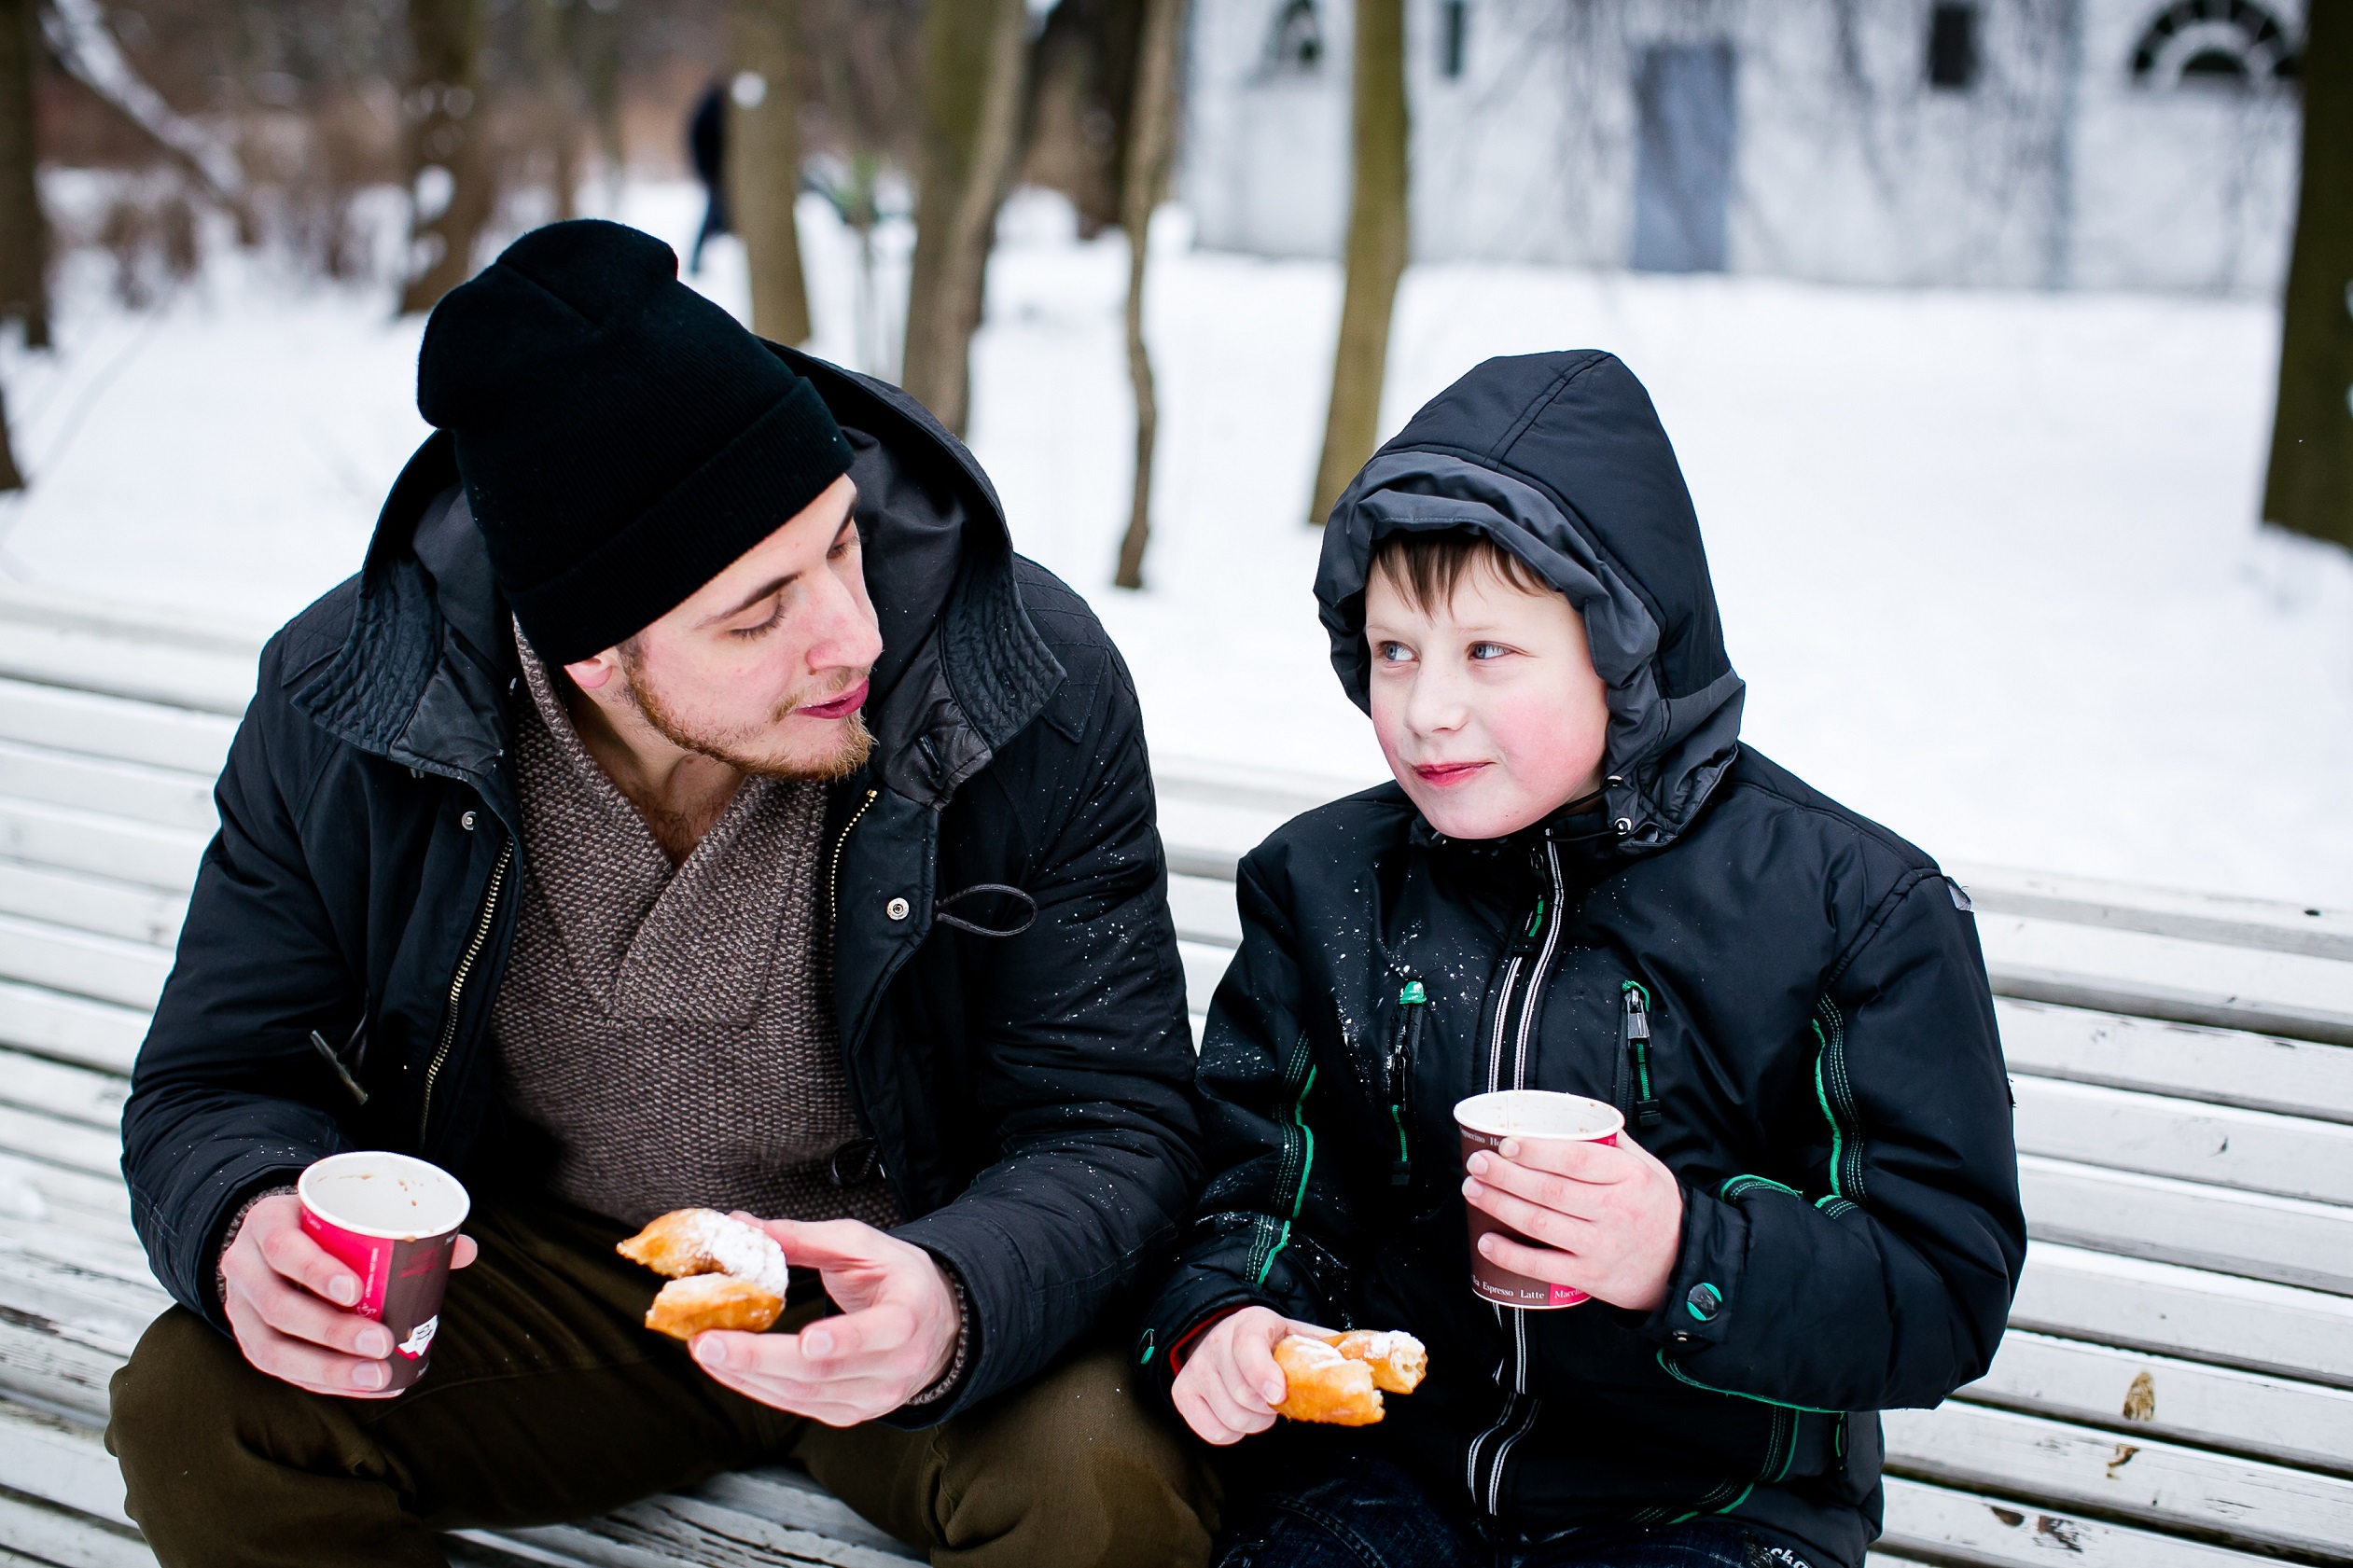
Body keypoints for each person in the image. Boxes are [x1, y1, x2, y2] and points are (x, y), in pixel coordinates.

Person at [106, 219, 1215, 1568]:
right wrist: (241, 1218)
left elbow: (1112, 1113)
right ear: (589, 657)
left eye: (840, 547)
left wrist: (959, 1294)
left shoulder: (1009, 671)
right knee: (195, 1409)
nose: (850, 635)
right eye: (756, 616)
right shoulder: (353, 705)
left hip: (912, 1263)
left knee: (1105, 1487)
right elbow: (216, 1080)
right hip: (566, 1284)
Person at [1142, 351, 2024, 1568]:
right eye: (1393, 650)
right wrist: (1230, 1314)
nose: (1425, 707)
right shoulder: (1324, 883)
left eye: (1486, 654)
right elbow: (1262, 1190)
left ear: (1620, 649)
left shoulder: (1849, 910)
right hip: (1386, 1475)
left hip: (1710, 1511)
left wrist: (1681, 1252)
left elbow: (1938, 1285)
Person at [688, 80, 730, 274]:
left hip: (715, 171)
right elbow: (702, 141)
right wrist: (711, 172)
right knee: (713, 215)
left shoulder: (712, 106)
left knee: (717, 215)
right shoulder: (712, 108)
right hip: (713, 171)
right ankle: (696, 260)